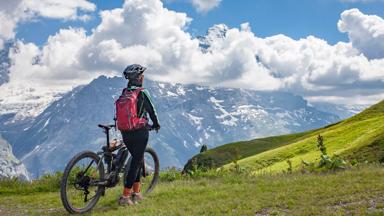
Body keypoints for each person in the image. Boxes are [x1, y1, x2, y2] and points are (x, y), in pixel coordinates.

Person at [118, 64, 160, 206]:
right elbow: (152, 111)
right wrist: (156, 124)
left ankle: (137, 193)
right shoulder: (142, 92)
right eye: (141, 75)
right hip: (139, 132)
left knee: (137, 159)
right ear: (138, 78)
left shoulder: (125, 92)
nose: (143, 77)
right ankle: (125, 197)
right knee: (136, 163)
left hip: (125, 132)